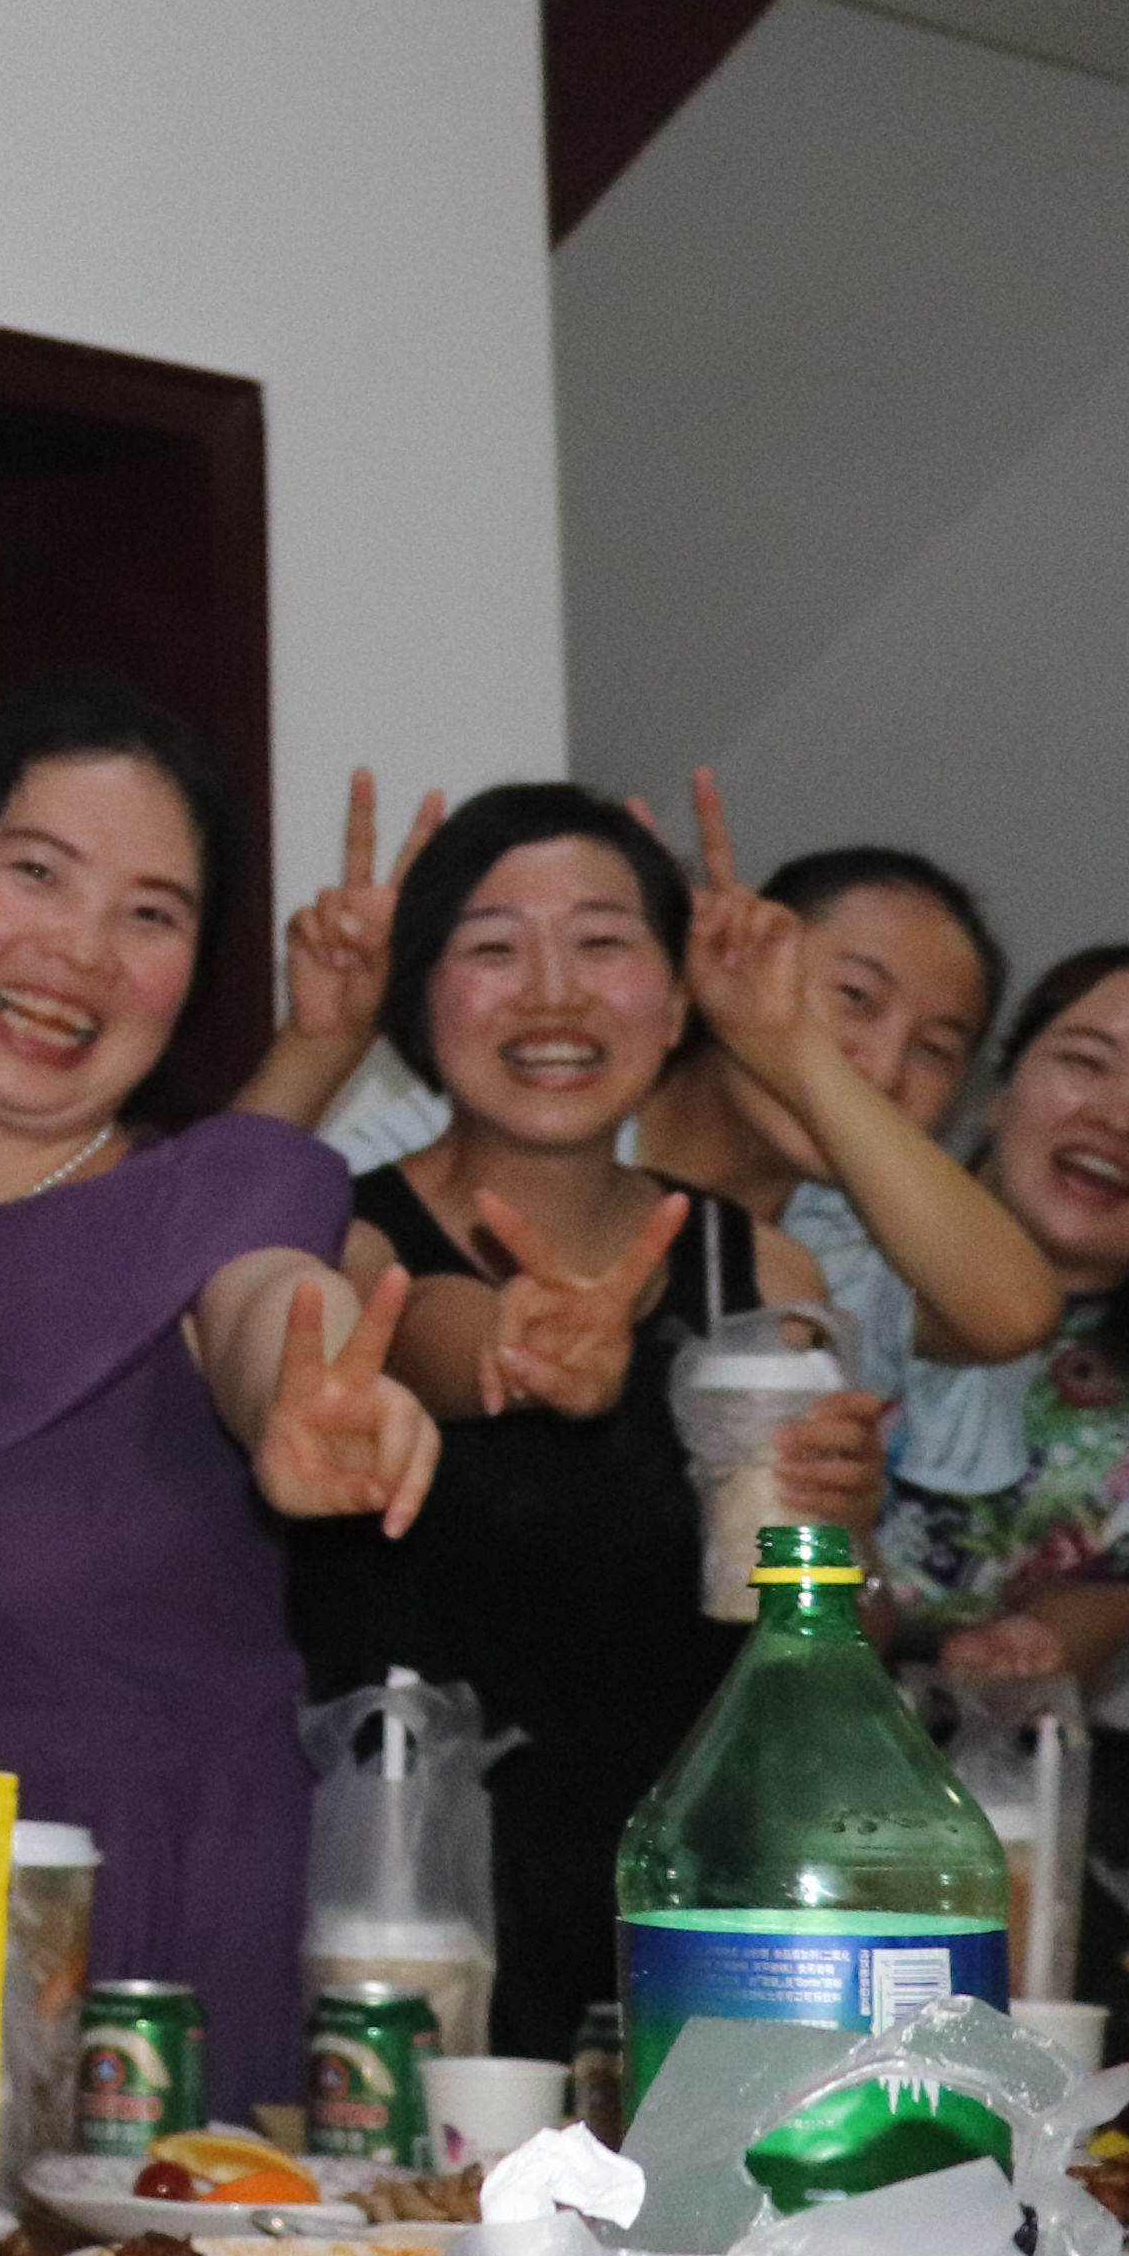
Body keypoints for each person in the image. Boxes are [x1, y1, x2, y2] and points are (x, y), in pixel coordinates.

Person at [0, 686, 439, 2103]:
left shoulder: (221, 1187)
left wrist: (310, 1394)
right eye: (37, 872)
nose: (82, 952)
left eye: (151, 914)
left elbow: (271, 1300)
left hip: (160, 1945)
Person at [275, 784, 891, 2059]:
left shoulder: (759, 1272)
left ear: (677, 1002)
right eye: (493, 948)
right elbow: (417, 1326)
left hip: (691, 1905)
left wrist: (848, 1536)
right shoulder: (342, 1235)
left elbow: (826, 1652)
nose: (553, 995)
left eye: (604, 943)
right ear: (416, 1002)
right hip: (405, 1910)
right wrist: (507, 1344)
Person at [622, 786, 1062, 1504]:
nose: (884, 1070)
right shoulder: (556, 1130)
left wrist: (793, 1047)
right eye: (856, 997)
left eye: (935, 1050)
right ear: (737, 960)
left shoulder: (849, 1253)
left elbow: (1016, 1314)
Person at [875, 945, 1129, 1692]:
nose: (1120, 1118)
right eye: (1087, 1063)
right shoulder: (823, 1250)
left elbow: (1056, 1667)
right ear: (997, 1094)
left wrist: (1022, 1656)